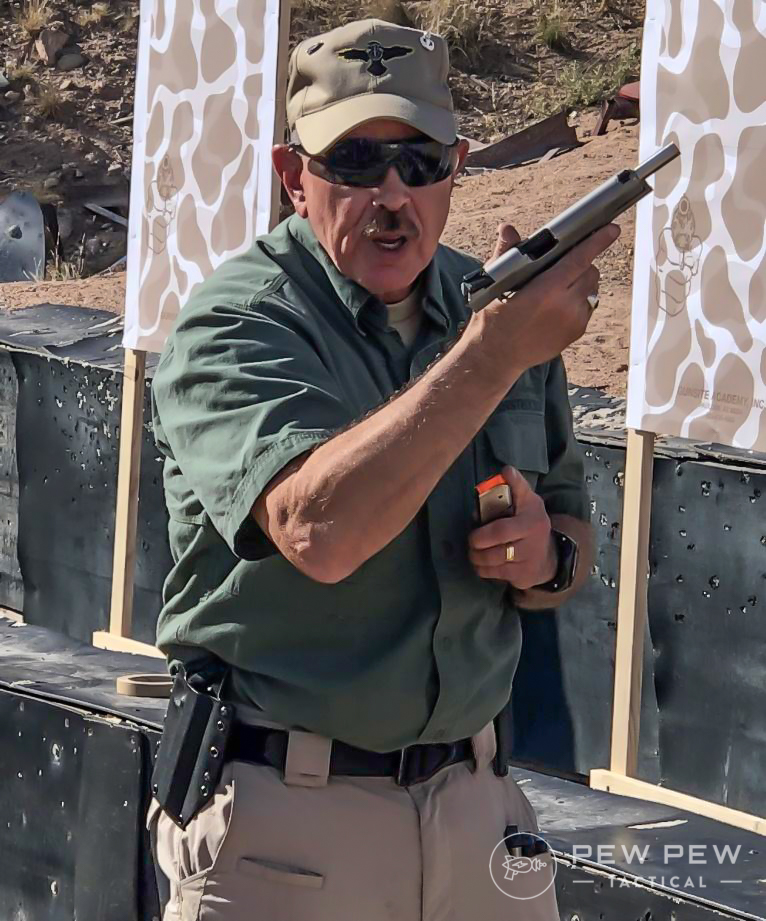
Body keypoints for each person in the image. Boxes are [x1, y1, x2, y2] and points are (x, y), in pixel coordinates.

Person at [148, 17, 619, 921]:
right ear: (294, 178)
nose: (392, 193)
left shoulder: (492, 310)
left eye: (421, 162)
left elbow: (571, 531)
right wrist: (489, 356)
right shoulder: (236, 324)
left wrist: (543, 556)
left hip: (478, 811)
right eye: (356, 162)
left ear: (459, 167)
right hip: (289, 821)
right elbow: (317, 534)